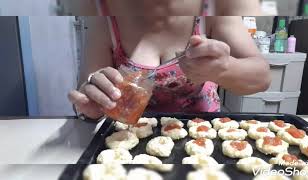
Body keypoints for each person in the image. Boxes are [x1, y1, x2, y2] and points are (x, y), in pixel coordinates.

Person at [68, 0, 271, 120]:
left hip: (203, 138)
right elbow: (87, 97)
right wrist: (93, 106)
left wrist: (225, 69)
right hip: (128, 144)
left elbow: (262, 76)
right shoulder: (106, 16)